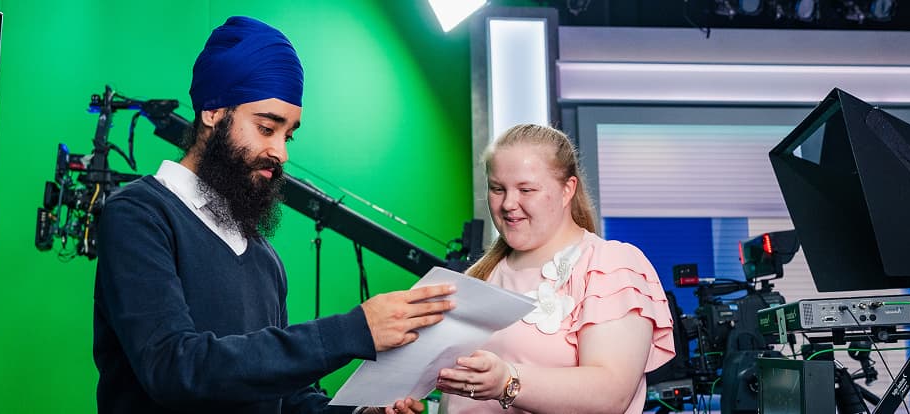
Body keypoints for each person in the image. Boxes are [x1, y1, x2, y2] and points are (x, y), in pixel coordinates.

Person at [93, 16, 453, 414]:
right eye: (267, 128)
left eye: (288, 135)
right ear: (213, 111)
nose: (281, 153)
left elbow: (288, 398)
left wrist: (361, 413)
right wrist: (352, 331)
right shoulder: (140, 215)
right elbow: (175, 367)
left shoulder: (263, 256)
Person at [436, 124, 675, 413]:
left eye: (526, 189)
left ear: (567, 190)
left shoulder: (608, 264)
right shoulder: (481, 274)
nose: (509, 203)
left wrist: (507, 381)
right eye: (497, 189)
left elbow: (610, 393)